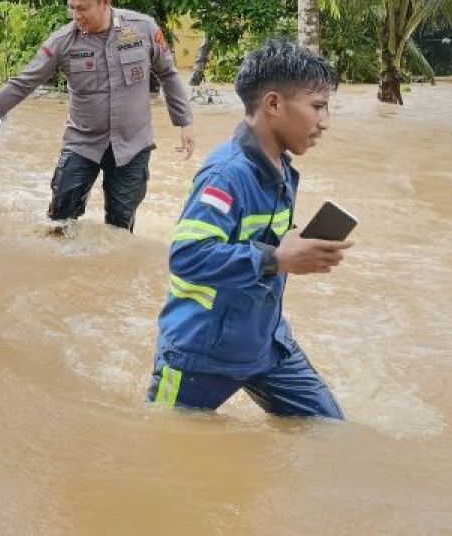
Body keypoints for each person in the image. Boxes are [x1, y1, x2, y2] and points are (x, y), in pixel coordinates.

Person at [148, 39, 349, 418]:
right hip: (199, 352)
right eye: (317, 106)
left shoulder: (282, 169)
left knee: (331, 432)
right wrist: (276, 258)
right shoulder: (226, 175)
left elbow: (262, 244)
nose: (325, 122)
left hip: (267, 345)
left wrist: (293, 248)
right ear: (273, 104)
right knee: (166, 449)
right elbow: (186, 255)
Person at [0, 0, 194, 232]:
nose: (76, 15)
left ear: (105, 2)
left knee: (119, 229)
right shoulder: (62, 42)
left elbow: (168, 74)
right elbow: (22, 84)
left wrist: (184, 122)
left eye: (83, 8)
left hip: (132, 146)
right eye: (72, 8)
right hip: (83, 144)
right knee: (60, 221)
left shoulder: (143, 29)